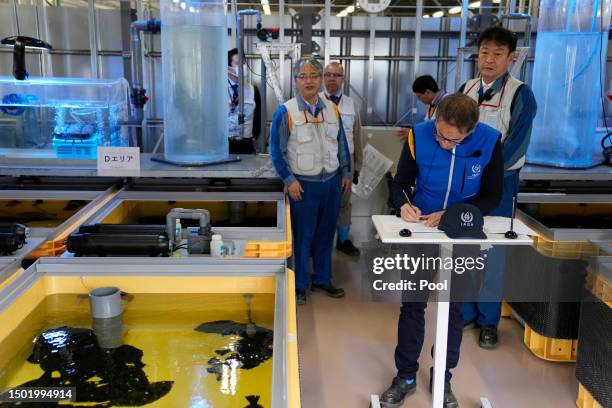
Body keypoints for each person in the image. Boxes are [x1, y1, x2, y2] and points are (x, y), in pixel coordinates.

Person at [379, 94, 503, 408]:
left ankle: (443, 378)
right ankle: (405, 376)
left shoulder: (490, 141)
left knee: (454, 310)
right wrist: (402, 204)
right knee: (412, 306)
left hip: (462, 233)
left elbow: (492, 196)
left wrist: (453, 214)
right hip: (421, 231)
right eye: (440, 135)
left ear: (470, 132)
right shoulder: (418, 134)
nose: (444, 144)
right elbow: (400, 182)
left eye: (452, 140)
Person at [459, 26, 537, 348]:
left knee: (492, 254)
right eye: (484, 52)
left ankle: (488, 321)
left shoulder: (521, 94)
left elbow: (516, 145)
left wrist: (486, 175)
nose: (489, 59)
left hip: (501, 186)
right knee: (464, 251)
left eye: (498, 53)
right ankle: (464, 312)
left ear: (511, 57)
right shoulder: (466, 88)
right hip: (466, 184)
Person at [269, 58, 352, 306]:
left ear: (320, 79)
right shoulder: (286, 112)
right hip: (303, 186)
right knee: (303, 237)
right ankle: (300, 285)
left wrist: (346, 173)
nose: (309, 80)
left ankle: (323, 279)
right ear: (295, 81)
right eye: (303, 76)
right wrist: (289, 180)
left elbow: (341, 145)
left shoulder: (332, 109)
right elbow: (277, 151)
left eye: (314, 75)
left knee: (326, 235)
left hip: (331, 183)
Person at [320, 61, 365, 257]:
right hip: (320, 166)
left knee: (344, 204)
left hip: (345, 166)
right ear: (323, 77)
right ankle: (320, 242)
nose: (332, 79)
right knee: (322, 204)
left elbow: (358, 136)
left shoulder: (351, 104)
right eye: (328, 74)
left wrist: (357, 167)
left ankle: (344, 240)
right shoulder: (315, 102)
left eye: (336, 75)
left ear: (343, 79)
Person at [227, 48, 260, 154]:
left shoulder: (252, 89)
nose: (243, 67)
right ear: (228, 67)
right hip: (224, 144)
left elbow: (258, 118)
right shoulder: (218, 89)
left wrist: (253, 137)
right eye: (237, 63)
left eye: (244, 63)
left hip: (246, 144)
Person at [396, 75, 447, 142]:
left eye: (419, 96)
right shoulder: (433, 104)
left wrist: (414, 133)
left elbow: (440, 131)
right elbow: (428, 125)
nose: (419, 99)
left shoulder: (447, 103)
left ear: (428, 92)